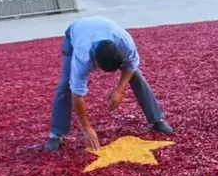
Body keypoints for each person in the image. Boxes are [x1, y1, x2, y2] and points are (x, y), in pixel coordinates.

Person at [43, 16, 173, 152]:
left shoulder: (125, 42)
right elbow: (77, 93)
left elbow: (131, 65)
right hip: (75, 34)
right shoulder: (82, 56)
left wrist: (119, 89)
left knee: (136, 75)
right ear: (94, 61)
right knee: (65, 85)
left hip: (103, 29)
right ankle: (55, 134)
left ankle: (157, 119)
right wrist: (86, 127)